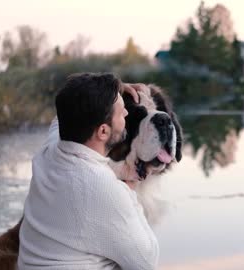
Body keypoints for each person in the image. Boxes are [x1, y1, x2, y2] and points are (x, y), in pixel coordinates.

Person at [17, 73, 159, 270]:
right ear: (103, 132)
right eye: (121, 111)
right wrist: (130, 189)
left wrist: (117, 88)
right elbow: (147, 261)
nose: (127, 113)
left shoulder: (50, 151)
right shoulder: (104, 188)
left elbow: (64, 112)